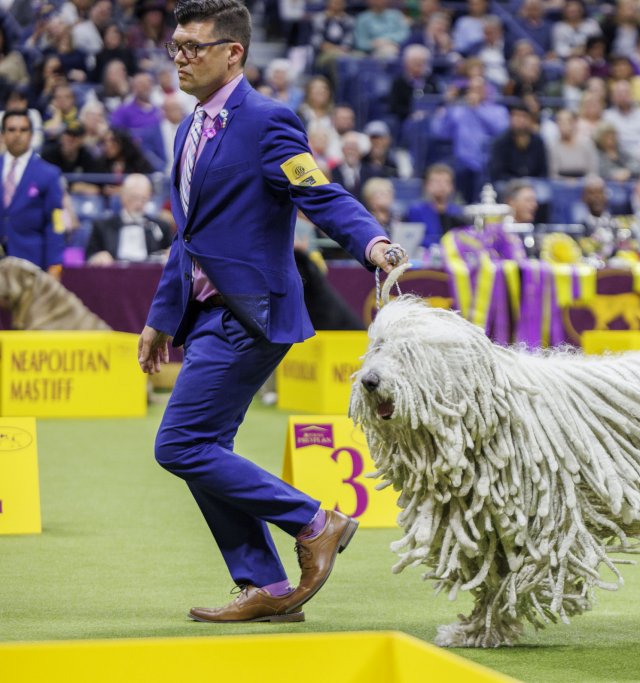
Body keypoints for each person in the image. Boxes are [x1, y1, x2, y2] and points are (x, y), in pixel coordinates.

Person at [137, 0, 407, 625]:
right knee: (205, 447)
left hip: (251, 314)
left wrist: (372, 242)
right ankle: (266, 585)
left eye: (192, 46)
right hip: (203, 316)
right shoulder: (188, 128)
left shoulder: (267, 120)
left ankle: (318, 521)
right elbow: (188, 237)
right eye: (175, 45)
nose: (179, 56)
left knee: (179, 444)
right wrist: (159, 316)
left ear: (233, 52)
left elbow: (319, 192)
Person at [0, 110, 65, 278]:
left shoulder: (49, 174)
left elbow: (55, 221)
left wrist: (55, 263)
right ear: (3, 134)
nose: (17, 135)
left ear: (31, 135)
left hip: (31, 263)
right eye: (11, 129)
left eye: (23, 130)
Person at [86, 173, 172, 263]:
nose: (139, 203)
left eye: (143, 199)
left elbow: (170, 253)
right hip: (113, 274)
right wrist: (97, 257)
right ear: (122, 196)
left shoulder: (161, 226)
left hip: (149, 275)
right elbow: (89, 257)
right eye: (134, 198)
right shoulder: (102, 226)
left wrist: (170, 254)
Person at [404, 163, 466, 248]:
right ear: (427, 185)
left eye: (445, 182)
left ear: (452, 187)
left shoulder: (459, 212)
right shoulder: (416, 211)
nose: (441, 186)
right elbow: (410, 239)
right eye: (436, 182)